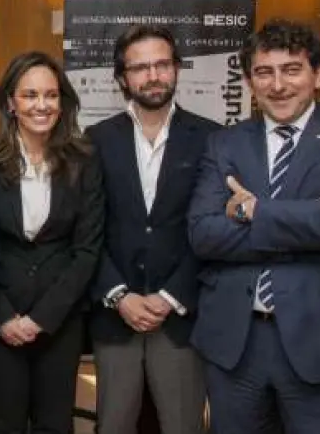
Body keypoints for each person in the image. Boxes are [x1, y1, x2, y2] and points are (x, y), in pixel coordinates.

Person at [188, 18, 320, 434]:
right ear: (250, 82)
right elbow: (204, 235)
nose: (278, 85)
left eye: (292, 69)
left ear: (319, 74)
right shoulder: (224, 143)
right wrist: (316, 212)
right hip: (236, 348)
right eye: (264, 72)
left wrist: (251, 211)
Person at [87, 25, 218, 434]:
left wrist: (170, 296)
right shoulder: (96, 139)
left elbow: (212, 229)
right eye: (140, 67)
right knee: (114, 426)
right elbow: (87, 230)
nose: (153, 76)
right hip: (116, 315)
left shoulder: (212, 138)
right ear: (122, 77)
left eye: (162, 64)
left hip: (180, 316)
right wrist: (118, 295)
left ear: (176, 68)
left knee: (183, 426)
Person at [0, 51, 104, 434]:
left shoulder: (84, 160)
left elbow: (87, 250)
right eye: (30, 95)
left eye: (51, 95)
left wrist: (42, 318)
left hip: (60, 320)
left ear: (63, 102)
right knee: (3, 423)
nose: (42, 105)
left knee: (56, 423)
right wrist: (2, 316)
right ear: (10, 103)